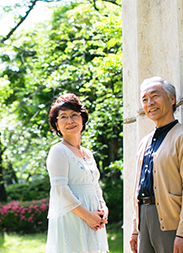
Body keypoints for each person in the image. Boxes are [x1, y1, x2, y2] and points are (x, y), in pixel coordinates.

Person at [129, 77, 183, 253]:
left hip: (169, 222)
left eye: (155, 96)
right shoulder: (144, 142)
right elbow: (137, 188)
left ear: (172, 99)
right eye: (144, 99)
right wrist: (135, 229)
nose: (150, 103)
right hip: (143, 219)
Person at [46, 93, 109, 253]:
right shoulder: (58, 150)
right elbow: (60, 189)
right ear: (56, 124)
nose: (70, 121)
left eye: (74, 115)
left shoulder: (88, 153)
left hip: (94, 219)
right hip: (73, 218)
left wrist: (103, 207)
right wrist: (87, 216)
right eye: (63, 117)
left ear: (82, 119)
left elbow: (95, 186)